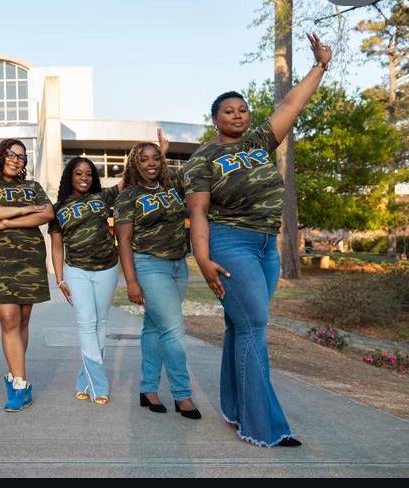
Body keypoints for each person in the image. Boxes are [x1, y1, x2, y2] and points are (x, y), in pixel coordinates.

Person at [184, 33, 333, 447]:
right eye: (228, 111)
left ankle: (234, 408)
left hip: (267, 245)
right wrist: (203, 259)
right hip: (230, 243)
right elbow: (197, 213)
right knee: (254, 327)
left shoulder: (258, 142)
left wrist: (320, 66)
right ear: (215, 118)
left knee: (238, 327)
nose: (238, 115)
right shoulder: (202, 159)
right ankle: (264, 425)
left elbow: (291, 105)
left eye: (243, 109)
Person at [115, 129, 200, 420]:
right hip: (149, 266)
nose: (150, 163)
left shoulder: (172, 187)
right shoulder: (128, 196)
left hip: (179, 266)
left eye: (155, 158)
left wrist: (162, 150)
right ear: (134, 165)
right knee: (174, 330)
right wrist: (131, 281)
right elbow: (123, 240)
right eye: (143, 159)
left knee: (153, 328)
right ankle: (183, 395)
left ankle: (148, 389)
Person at [0, 140, 54, 412]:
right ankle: (20, 383)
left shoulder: (33, 187)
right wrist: (23, 209)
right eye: (13, 154)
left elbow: (48, 213)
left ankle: (15, 373)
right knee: (8, 319)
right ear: (0, 155)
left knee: (23, 319)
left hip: (29, 259)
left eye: (23, 157)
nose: (18, 160)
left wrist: (7, 222)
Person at [49, 157, 123, 405]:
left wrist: (160, 151)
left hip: (108, 267)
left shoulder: (101, 197)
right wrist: (60, 279)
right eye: (79, 173)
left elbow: (128, 181)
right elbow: (57, 246)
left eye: (89, 174)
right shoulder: (58, 208)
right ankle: (99, 384)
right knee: (86, 323)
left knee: (101, 323)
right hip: (76, 270)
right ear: (70, 176)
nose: (84, 177)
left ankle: (85, 379)